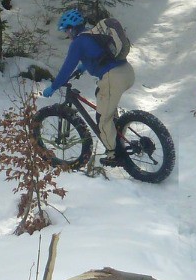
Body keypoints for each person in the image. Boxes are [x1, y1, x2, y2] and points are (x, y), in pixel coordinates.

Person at [43, 9, 136, 167]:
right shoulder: (91, 34)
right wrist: (82, 68)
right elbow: (99, 55)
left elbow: (66, 68)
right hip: (127, 72)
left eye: (66, 30)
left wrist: (53, 86)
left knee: (102, 119)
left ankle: (114, 154)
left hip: (112, 77)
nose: (67, 34)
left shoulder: (78, 43)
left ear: (72, 28)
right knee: (106, 106)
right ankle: (118, 135)